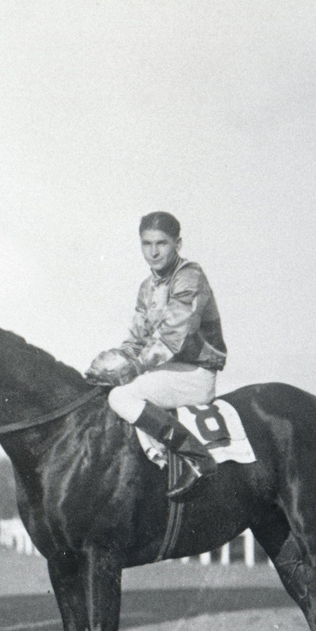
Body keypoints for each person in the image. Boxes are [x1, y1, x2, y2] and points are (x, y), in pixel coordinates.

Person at [84, 211, 227, 500]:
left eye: (161, 243)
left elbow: (173, 339)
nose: (153, 251)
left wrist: (131, 368)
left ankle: (197, 458)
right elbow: (137, 340)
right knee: (106, 390)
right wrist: (111, 364)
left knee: (121, 397)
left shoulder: (189, 276)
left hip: (195, 373)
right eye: (146, 244)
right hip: (164, 373)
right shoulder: (147, 288)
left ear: (178, 244)